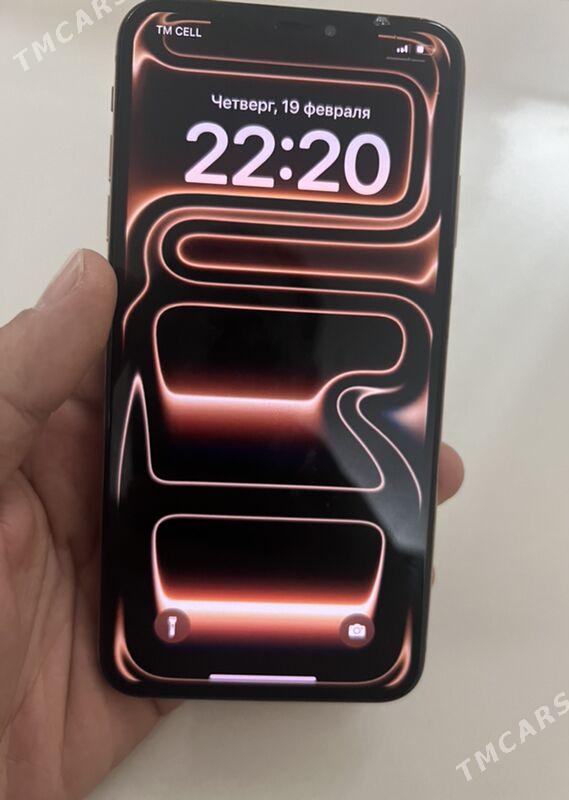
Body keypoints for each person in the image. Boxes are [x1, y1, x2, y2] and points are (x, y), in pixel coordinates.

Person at [0, 250, 464, 799]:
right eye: (236, 342)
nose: (256, 369)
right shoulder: (152, 482)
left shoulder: (343, 520)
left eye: (276, 345)